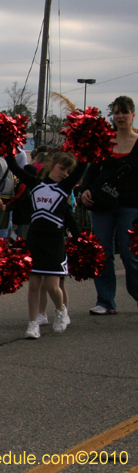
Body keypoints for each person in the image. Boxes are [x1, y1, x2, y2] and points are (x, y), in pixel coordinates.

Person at [6, 151, 87, 338]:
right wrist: (7, 148)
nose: (65, 173)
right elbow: (15, 167)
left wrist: (87, 149)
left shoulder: (65, 187)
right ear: (51, 165)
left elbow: (81, 168)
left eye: (68, 171)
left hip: (55, 241)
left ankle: (61, 311)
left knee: (52, 285)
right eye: (62, 168)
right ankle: (33, 323)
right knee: (34, 284)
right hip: (35, 240)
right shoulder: (35, 184)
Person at [81, 95, 138, 314]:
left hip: (131, 208)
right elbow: (92, 171)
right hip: (102, 205)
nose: (120, 116)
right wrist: (84, 189)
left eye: (124, 112)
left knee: (129, 255)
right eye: (116, 112)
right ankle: (105, 301)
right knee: (102, 253)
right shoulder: (104, 141)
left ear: (133, 115)